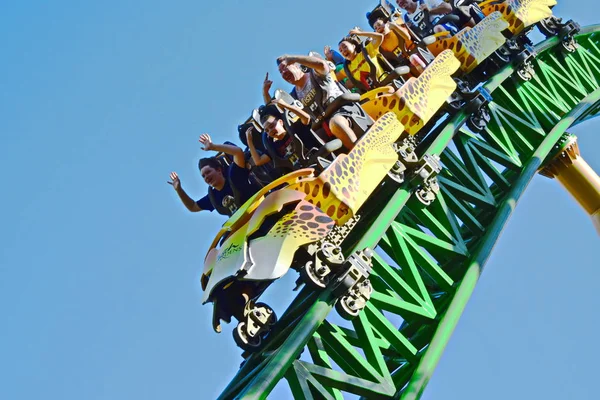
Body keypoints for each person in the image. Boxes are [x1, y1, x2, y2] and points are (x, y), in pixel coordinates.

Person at [277, 53, 362, 150]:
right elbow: (305, 120)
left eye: (285, 67)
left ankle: (359, 152)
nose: (283, 72)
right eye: (280, 72)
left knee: (336, 122)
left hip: (344, 110)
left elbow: (322, 65)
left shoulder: (315, 74)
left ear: (295, 65)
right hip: (324, 126)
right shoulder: (294, 96)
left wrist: (293, 58)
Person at [168, 134, 260, 216]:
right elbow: (193, 207)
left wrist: (213, 147)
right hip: (245, 225)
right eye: (203, 176)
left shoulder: (234, 175)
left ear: (219, 170)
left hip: (260, 209)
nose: (206, 177)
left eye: (208, 172)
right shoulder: (213, 196)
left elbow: (238, 152)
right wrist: (179, 190)